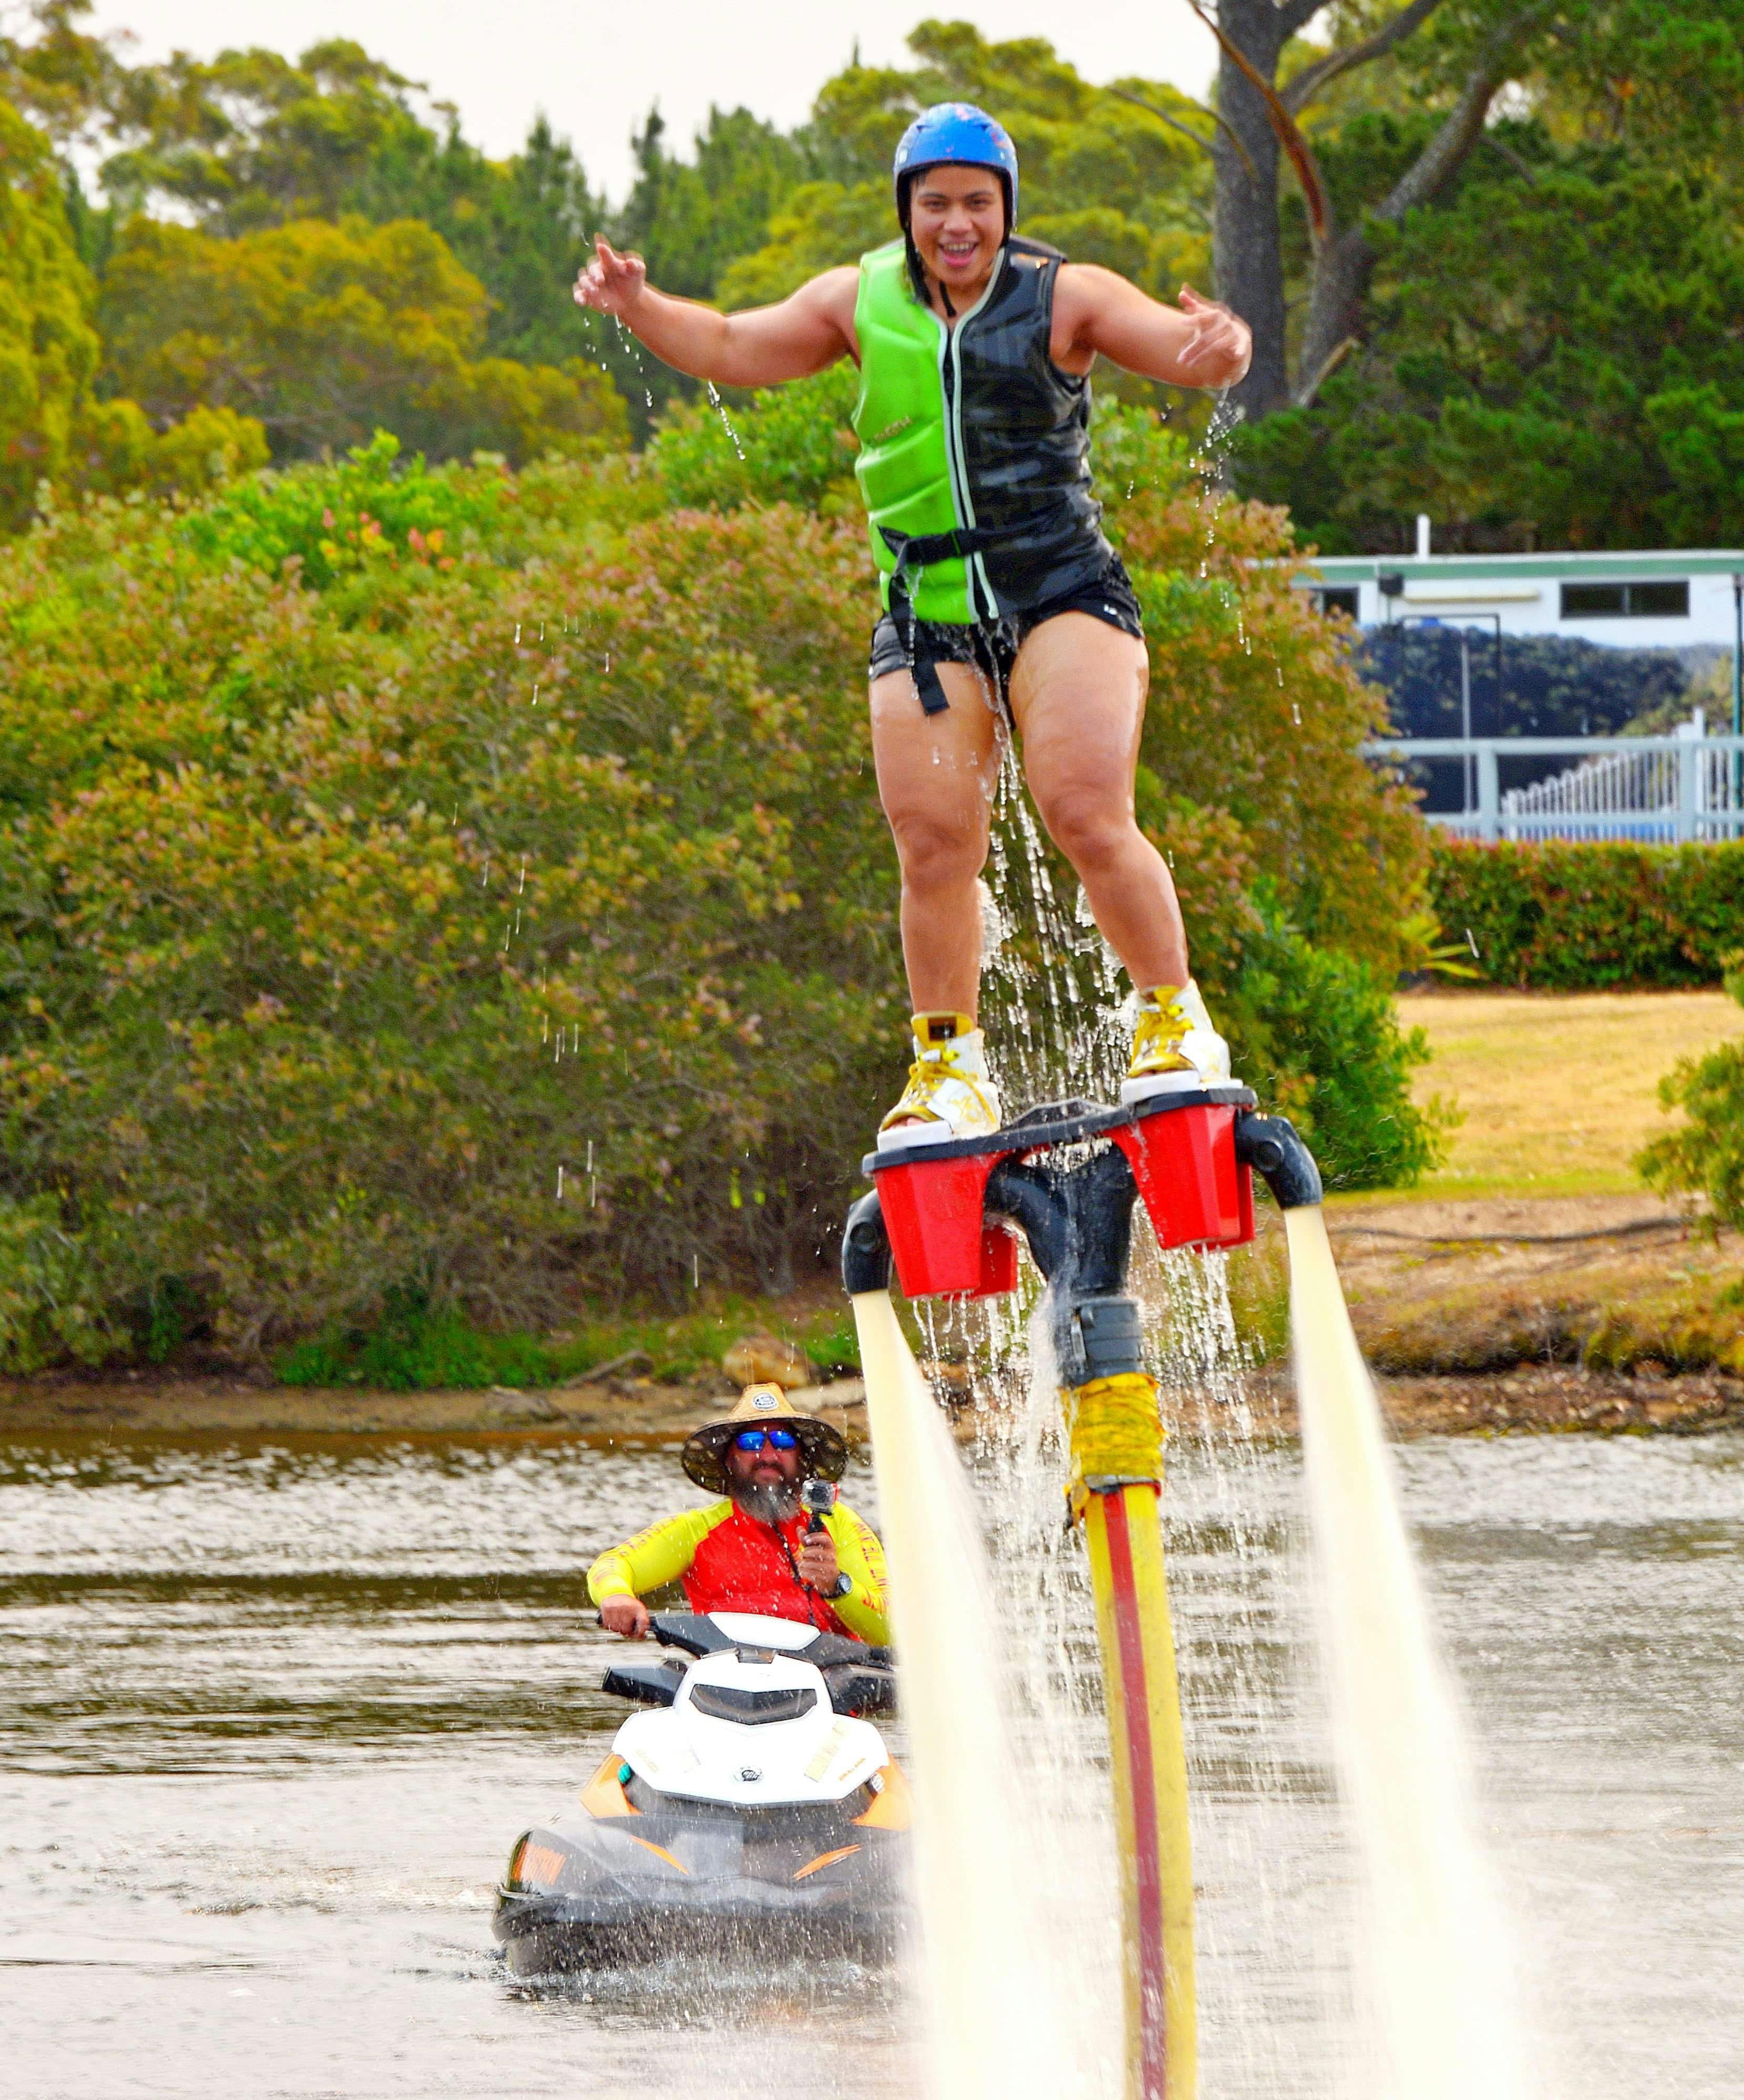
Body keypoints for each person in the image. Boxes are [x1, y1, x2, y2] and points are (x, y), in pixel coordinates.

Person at [575, 101, 1252, 1146]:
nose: (956, 223)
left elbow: (1187, 352)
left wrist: (1222, 343)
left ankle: (1172, 1019)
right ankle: (947, 1068)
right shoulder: (856, 300)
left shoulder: (1065, 293)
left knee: (1082, 809)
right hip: (926, 615)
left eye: (976, 203)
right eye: (934, 203)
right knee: (932, 847)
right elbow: (722, 344)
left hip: (1061, 589)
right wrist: (638, 304)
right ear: (906, 210)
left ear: (1005, 209)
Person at [589, 1383, 888, 1645]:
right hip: (723, 1690)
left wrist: (837, 1585)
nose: (768, 1455)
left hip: (827, 1690)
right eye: (751, 1443)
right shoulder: (696, 1530)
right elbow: (613, 1564)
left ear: (802, 1457)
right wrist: (617, 1596)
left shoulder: (841, 1523)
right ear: (731, 1459)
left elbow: (893, 1631)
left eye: (783, 1442)